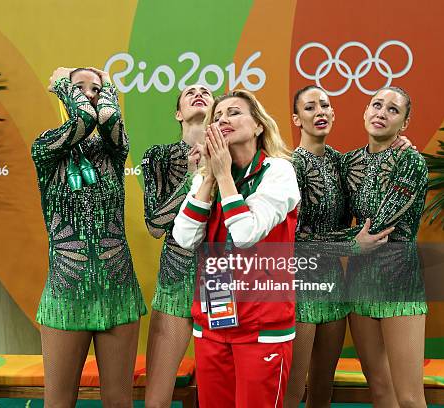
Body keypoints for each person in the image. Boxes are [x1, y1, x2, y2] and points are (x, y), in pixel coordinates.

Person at [297, 87, 428, 407]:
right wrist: (347, 244)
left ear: (405, 123)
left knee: (410, 397)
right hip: (358, 283)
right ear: (365, 112)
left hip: (399, 280)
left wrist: (345, 242)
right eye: (377, 105)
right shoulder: (347, 162)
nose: (382, 112)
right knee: (380, 388)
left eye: (393, 110)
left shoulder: (411, 161)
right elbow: (330, 212)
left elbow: (380, 228)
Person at [172, 89, 300, 407]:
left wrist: (223, 175)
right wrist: (208, 178)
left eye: (234, 112)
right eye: (218, 116)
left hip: (262, 324)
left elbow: (245, 234)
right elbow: (184, 238)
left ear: (258, 125)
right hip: (215, 316)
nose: (223, 119)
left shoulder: (279, 172)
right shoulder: (208, 177)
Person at [31, 67, 146, 407]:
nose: (89, 95)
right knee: (59, 402)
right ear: (65, 94)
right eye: (79, 87)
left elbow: (106, 117)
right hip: (66, 289)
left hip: (117, 287)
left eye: (96, 88)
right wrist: (64, 86)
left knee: (118, 401)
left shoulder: (114, 148)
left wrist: (104, 86)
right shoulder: (46, 148)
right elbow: (82, 117)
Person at [141, 84, 213, 407]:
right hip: (176, 278)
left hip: (221, 280)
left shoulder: (234, 157)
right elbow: (155, 225)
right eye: (190, 93)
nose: (199, 93)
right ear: (178, 113)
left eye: (207, 91)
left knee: (217, 395)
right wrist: (191, 177)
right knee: (158, 397)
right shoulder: (158, 157)